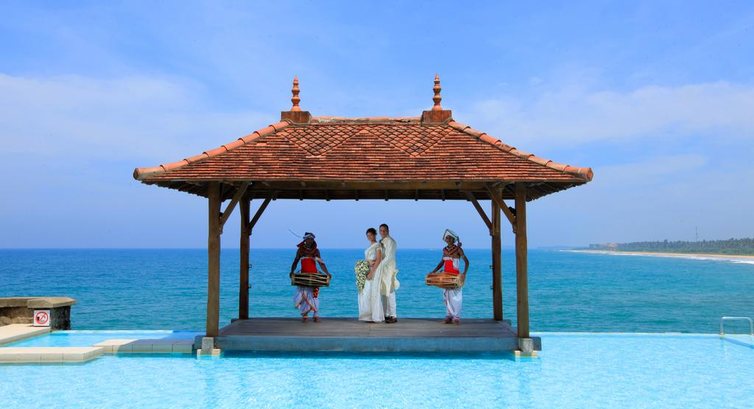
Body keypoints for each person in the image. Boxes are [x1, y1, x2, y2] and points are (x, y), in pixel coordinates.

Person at [429, 229, 469, 325]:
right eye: (447, 238)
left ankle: (456, 316)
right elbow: (442, 262)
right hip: (446, 276)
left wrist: (464, 273)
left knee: (456, 297)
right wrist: (433, 272)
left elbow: (467, 262)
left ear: (453, 239)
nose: (448, 239)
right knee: (446, 296)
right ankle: (449, 315)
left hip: (455, 276)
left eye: (450, 238)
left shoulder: (459, 250)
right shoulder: (445, 250)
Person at [289, 232, 331, 322]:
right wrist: (292, 271)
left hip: (314, 275)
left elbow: (321, 263)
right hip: (303, 275)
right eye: (309, 239)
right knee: (303, 294)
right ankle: (305, 314)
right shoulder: (300, 250)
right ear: (305, 240)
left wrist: (327, 273)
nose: (310, 241)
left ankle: (316, 314)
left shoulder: (316, 251)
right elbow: (295, 262)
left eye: (312, 239)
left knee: (314, 295)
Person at [358, 227, 385, 323]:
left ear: (375, 235)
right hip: (368, 268)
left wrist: (372, 272)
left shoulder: (378, 245)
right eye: (368, 235)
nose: (369, 237)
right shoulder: (370, 246)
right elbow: (368, 259)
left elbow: (379, 259)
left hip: (374, 271)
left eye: (371, 235)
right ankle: (368, 315)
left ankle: (375, 316)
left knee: (373, 292)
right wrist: (366, 264)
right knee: (367, 292)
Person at [376, 223, 399, 323]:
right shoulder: (381, 241)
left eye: (384, 230)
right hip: (382, 270)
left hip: (388, 269)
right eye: (381, 231)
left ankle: (393, 315)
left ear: (388, 231)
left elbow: (389, 257)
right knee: (383, 292)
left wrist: (378, 266)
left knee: (390, 292)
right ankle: (386, 314)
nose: (382, 232)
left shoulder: (391, 241)